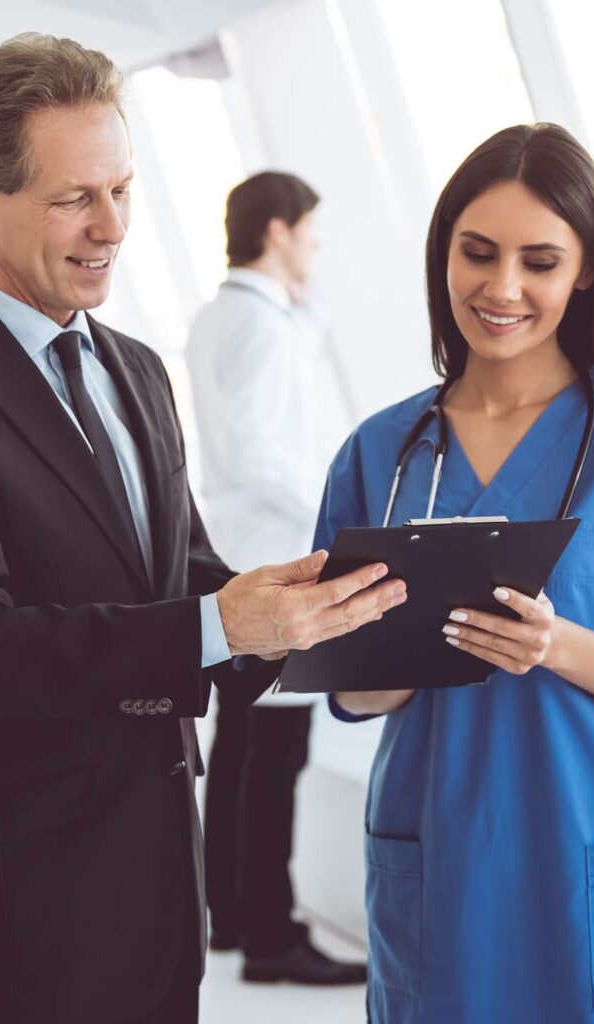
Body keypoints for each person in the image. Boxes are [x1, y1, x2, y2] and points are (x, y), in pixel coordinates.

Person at [0, 34, 406, 1024]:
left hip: (153, 913)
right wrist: (224, 621)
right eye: (73, 198)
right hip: (0, 926)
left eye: (125, 190)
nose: (112, 227)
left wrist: (332, 634)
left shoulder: (138, 370)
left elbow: (183, 583)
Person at [317, 123, 594, 1023]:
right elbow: (352, 689)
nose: (500, 288)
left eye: (538, 261)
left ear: (584, 271)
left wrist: (552, 643)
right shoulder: (381, 451)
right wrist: (370, 643)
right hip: (446, 860)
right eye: (476, 253)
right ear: (443, 258)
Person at [187, 172, 364, 984]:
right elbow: (260, 448)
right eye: (310, 232)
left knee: (241, 744)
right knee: (274, 753)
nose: (317, 247)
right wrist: (335, 521)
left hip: (231, 556)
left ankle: (227, 914)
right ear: (279, 230)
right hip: (279, 561)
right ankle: (269, 937)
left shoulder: (226, 316)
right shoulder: (260, 328)